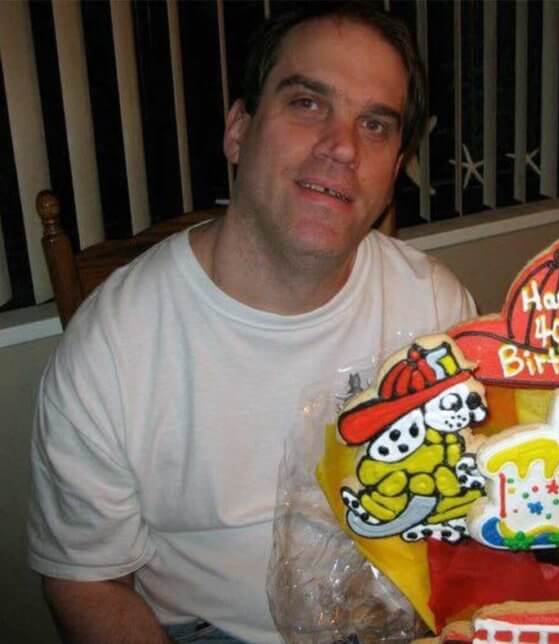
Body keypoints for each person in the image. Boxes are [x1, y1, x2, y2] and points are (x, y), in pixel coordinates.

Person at [27, 3, 476, 643]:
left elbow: (472, 513)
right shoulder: (113, 349)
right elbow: (86, 580)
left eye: (375, 124)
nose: (343, 147)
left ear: (395, 170)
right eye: (307, 103)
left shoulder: (437, 309)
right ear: (239, 130)